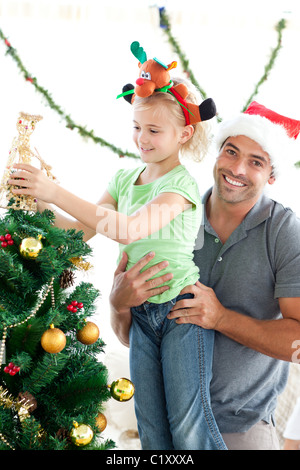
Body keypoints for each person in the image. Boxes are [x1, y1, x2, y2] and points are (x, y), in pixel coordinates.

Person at [8, 47, 226, 450]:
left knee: (188, 422)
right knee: (153, 427)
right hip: (142, 315)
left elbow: (128, 230)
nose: (142, 139)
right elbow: (79, 230)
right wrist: (37, 200)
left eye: (154, 131)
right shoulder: (125, 179)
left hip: (182, 310)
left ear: (185, 133)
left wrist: (55, 190)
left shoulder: (180, 186)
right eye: (136, 127)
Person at [109, 101, 300, 450]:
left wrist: (221, 318)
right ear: (217, 154)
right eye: (231, 152)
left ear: (271, 175)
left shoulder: (284, 232)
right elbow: (137, 333)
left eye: (256, 162)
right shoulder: (172, 215)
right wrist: (118, 305)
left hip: (242, 425)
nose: (237, 168)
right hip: (164, 421)